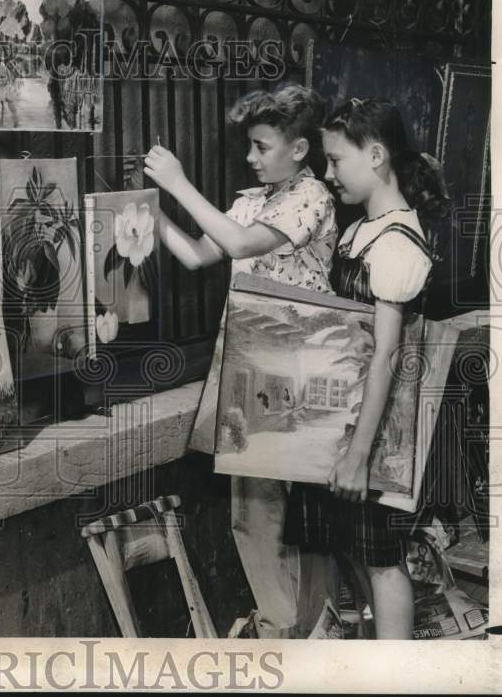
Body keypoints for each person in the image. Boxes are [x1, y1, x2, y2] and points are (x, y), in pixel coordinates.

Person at [144, 83, 337, 638]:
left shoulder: (312, 197)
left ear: (298, 150)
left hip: (297, 367)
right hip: (255, 365)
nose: (250, 158)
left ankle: (299, 626)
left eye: (261, 146)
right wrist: (151, 216)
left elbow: (240, 246)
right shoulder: (251, 202)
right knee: (253, 508)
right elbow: (200, 253)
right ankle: (289, 624)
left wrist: (179, 183)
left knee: (292, 511)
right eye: (249, 147)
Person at [283, 97, 449, 639]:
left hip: (380, 438)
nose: (328, 175)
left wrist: (357, 457)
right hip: (346, 424)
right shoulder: (360, 233)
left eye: (336, 161)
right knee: (347, 547)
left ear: (376, 155)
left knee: (382, 560)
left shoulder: (398, 244)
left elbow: (386, 357)